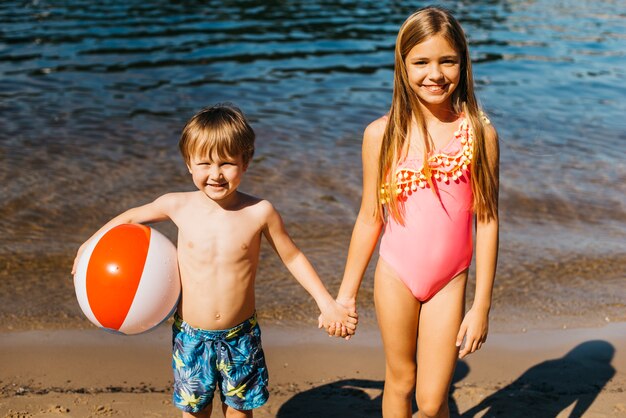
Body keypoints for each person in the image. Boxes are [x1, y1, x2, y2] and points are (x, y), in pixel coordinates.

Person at [71, 103, 358, 418]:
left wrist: (326, 302)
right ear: (189, 164)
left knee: (239, 411)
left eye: (227, 163)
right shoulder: (177, 205)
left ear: (245, 162)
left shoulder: (259, 212)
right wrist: (90, 244)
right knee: (195, 412)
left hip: (240, 334)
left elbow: (292, 256)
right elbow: (129, 218)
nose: (215, 174)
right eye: (204, 163)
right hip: (191, 335)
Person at [328, 6, 499, 418]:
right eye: (421, 62)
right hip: (396, 275)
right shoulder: (381, 135)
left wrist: (481, 307)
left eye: (447, 61)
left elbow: (488, 221)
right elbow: (370, 217)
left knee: (432, 399)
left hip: (450, 280)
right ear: (402, 66)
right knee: (401, 381)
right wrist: (345, 296)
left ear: (463, 63)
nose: (435, 74)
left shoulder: (479, 133)